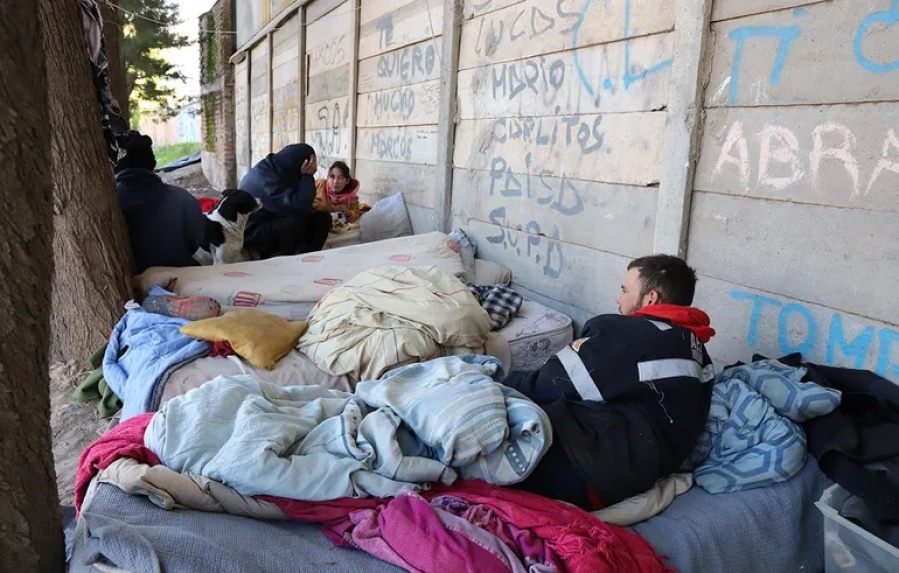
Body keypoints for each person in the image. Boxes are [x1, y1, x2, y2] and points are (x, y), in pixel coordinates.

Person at [505, 254, 716, 510]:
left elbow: (546, 386)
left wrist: (498, 384)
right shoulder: (697, 350)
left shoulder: (631, 337)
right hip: (642, 468)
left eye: (625, 290)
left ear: (651, 298)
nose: (619, 299)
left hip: (591, 473)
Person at [113, 131, 208, 274]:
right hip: (181, 278)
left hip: (131, 284)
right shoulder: (183, 198)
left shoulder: (111, 205)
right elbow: (195, 242)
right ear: (153, 163)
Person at [239, 143, 333, 259]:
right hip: (251, 232)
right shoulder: (265, 177)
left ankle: (308, 256)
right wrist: (307, 177)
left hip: (270, 219)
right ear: (303, 164)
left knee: (322, 218)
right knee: (295, 221)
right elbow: (298, 206)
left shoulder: (277, 168)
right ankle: (280, 259)